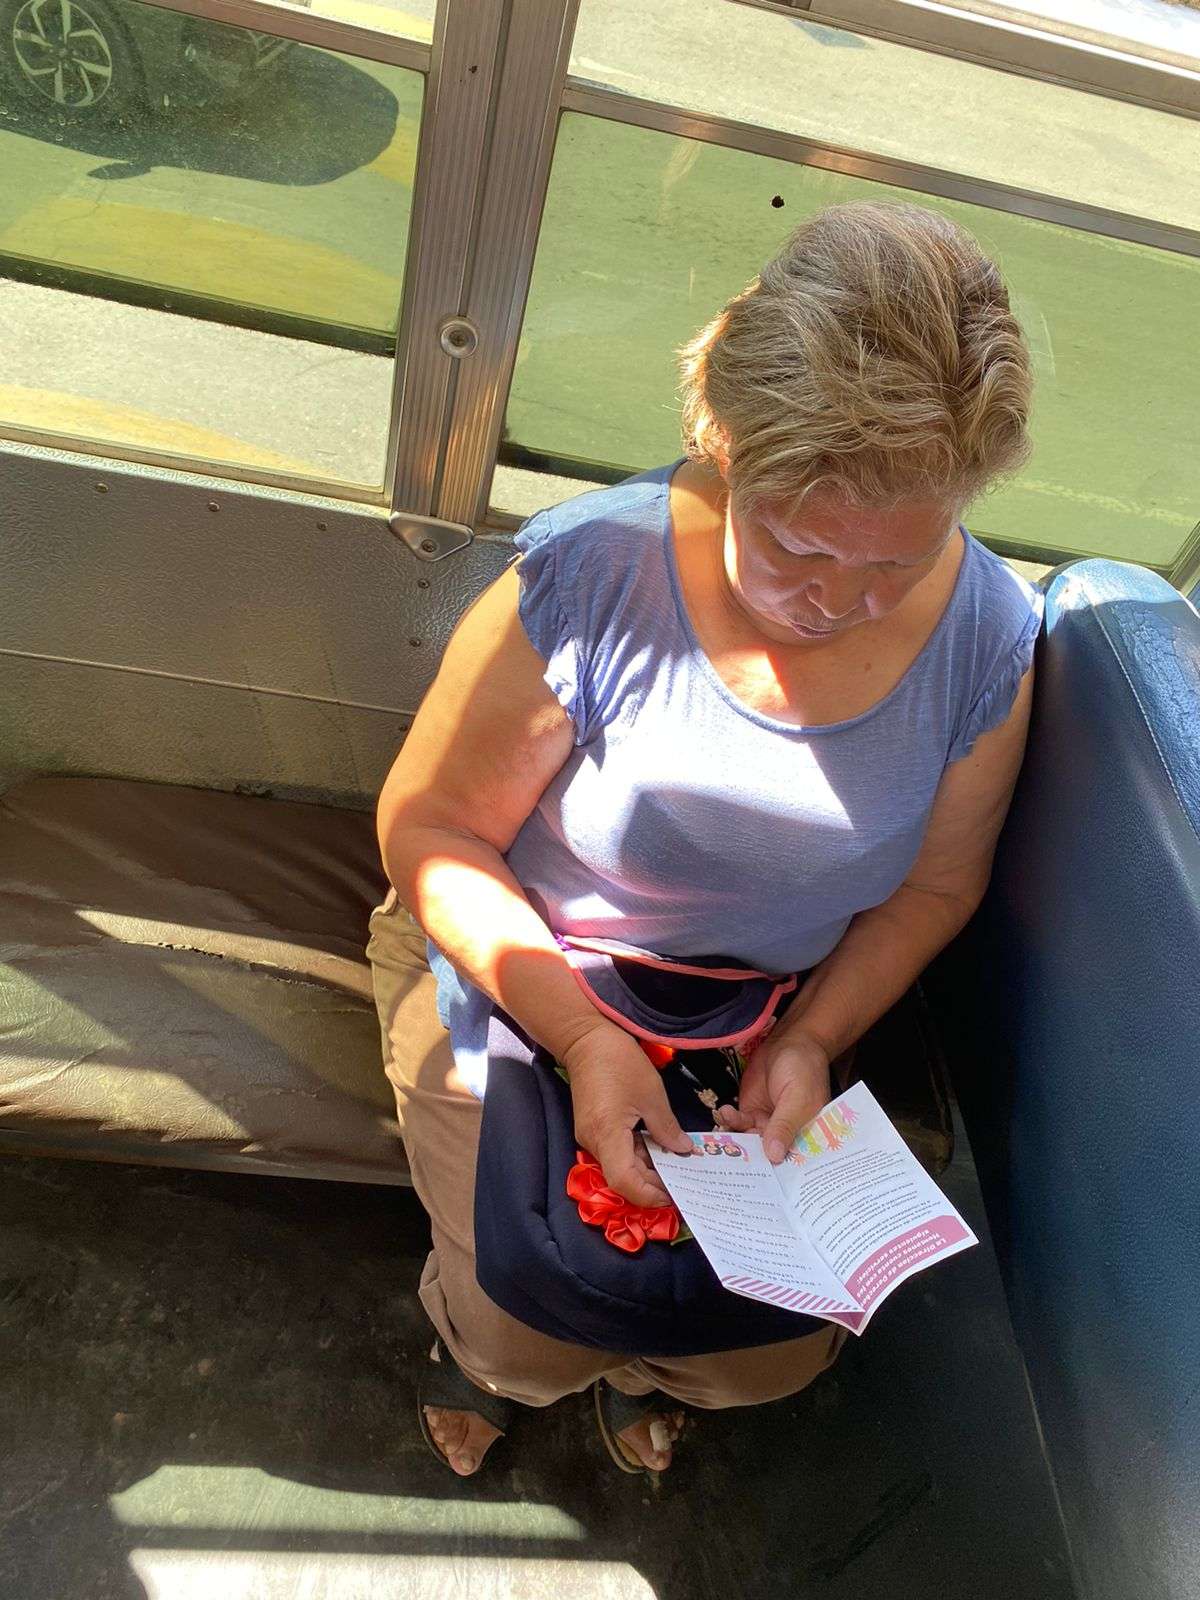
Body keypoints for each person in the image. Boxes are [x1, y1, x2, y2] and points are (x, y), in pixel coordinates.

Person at [369, 200, 1041, 1478]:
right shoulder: (594, 575)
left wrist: (813, 1037)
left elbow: (935, 889)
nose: (839, 603)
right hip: (524, 955)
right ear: (724, 444)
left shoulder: (989, 640)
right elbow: (434, 827)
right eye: (797, 545)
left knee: (763, 1354)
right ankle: (489, 1358)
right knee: (526, 1321)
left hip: (761, 1005)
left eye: (895, 566)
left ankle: (645, 1368)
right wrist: (581, 1036)